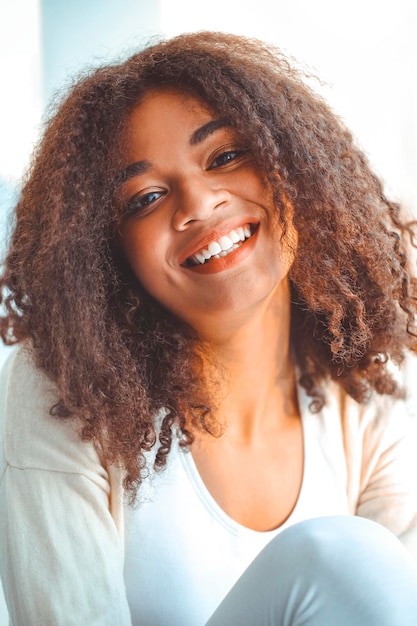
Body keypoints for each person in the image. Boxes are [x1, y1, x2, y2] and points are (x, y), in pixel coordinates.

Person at [1, 31, 417, 625]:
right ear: (106, 255)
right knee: (343, 560)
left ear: (296, 166)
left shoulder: (368, 386)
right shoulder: (70, 391)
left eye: (224, 157)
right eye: (144, 198)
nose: (197, 204)